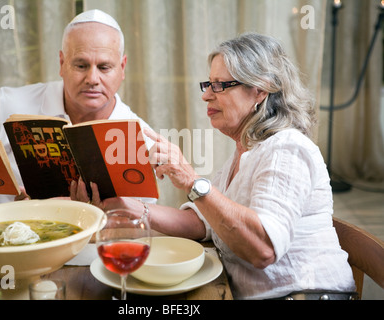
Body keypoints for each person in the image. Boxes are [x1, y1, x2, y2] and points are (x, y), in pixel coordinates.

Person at [72, 32, 357, 300]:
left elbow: (263, 249)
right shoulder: (244, 152)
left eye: (220, 85)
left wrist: (192, 180)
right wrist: (121, 204)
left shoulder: (287, 149)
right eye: (208, 84)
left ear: (259, 90)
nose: (206, 95)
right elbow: (201, 222)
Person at [0, 9, 153, 208]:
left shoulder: (140, 137)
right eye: (81, 66)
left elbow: (141, 225)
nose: (92, 79)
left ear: (122, 67)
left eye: (104, 67)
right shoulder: (9, 104)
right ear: (62, 63)